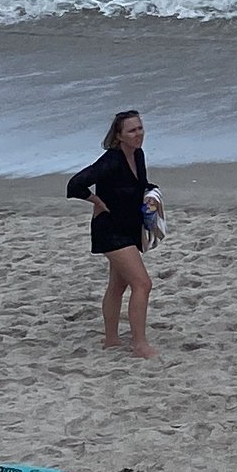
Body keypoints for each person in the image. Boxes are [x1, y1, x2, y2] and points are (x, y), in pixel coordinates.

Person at [67, 107, 158, 353]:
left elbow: (140, 184)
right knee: (143, 284)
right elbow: (75, 184)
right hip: (110, 231)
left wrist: (151, 196)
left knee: (118, 286)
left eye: (140, 128)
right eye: (132, 130)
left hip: (128, 228)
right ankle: (139, 344)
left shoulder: (137, 155)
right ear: (119, 136)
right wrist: (96, 201)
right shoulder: (111, 160)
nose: (138, 134)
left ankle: (111, 339)